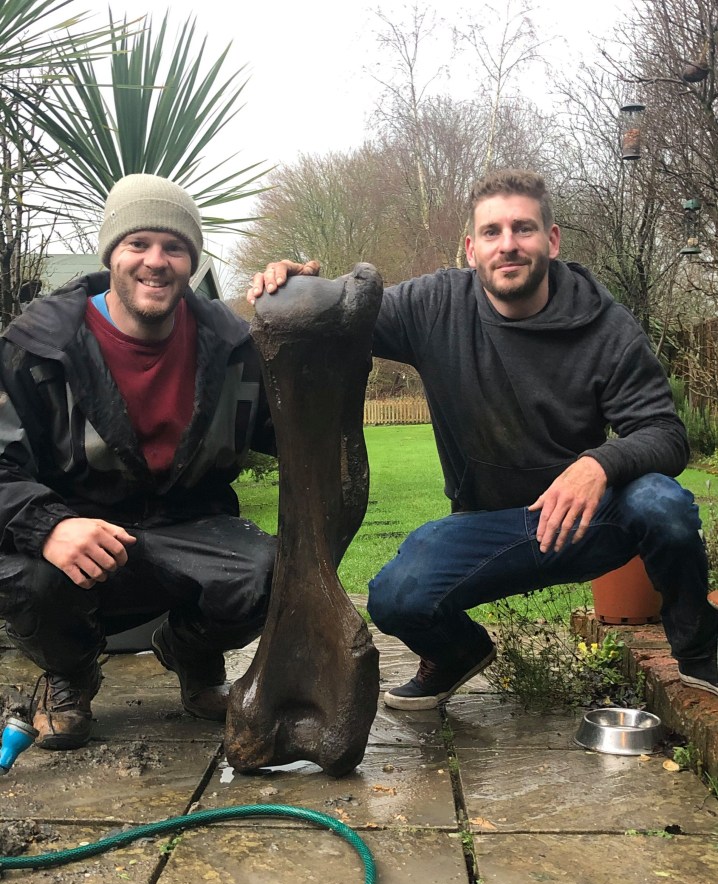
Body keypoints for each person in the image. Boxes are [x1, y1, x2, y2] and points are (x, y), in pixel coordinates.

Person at [248, 168, 718, 710]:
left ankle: (700, 649)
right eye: (493, 232)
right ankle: (458, 653)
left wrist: (599, 465)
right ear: (472, 248)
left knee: (661, 502)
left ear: (552, 239)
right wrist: (296, 284)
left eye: (524, 229)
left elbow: (665, 433)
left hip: (588, 523)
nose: (509, 245)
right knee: (395, 597)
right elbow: (339, 317)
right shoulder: (434, 306)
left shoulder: (606, 327)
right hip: (486, 527)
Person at [0, 173, 276, 749]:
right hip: (81, 525)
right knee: (28, 580)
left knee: (270, 573)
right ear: (112, 254)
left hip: (191, 528)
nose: (156, 261)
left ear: (192, 260)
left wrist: (303, 315)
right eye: (138, 244)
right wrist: (49, 526)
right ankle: (71, 673)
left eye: (174, 247)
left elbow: (299, 424)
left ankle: (189, 650)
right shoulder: (38, 345)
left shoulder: (232, 347)